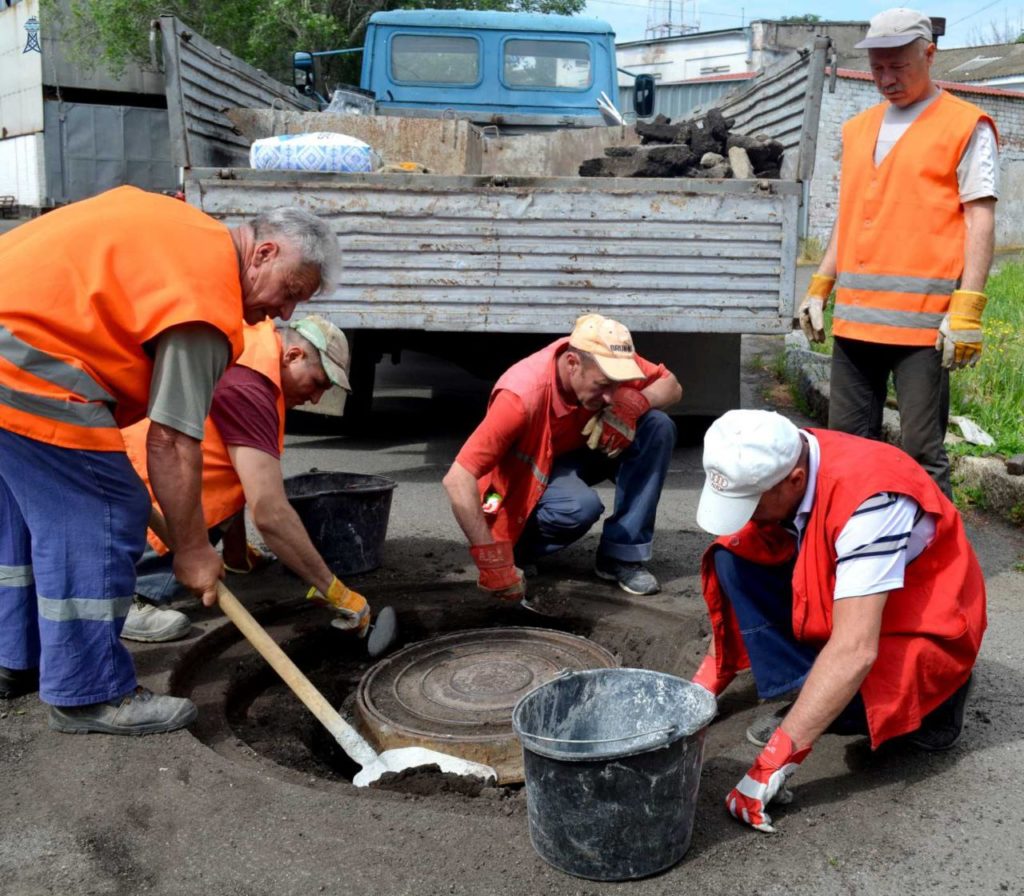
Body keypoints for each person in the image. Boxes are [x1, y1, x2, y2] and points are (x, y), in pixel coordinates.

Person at [0, 186, 341, 735]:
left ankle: (16, 660)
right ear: (264, 253)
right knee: (108, 508)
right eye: (290, 292)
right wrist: (191, 549)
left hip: (10, 346)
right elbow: (171, 443)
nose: (284, 311)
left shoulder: (188, 233)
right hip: (29, 363)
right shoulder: (207, 301)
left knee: (21, 519)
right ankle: (90, 694)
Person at [691, 409, 986, 833]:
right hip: (852, 590)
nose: (746, 512)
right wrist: (700, 691)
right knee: (735, 553)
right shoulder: (783, 451)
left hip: (925, 620)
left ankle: (941, 700)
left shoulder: (872, 500)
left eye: (751, 501)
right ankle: (819, 691)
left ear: (794, 480)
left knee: (860, 703)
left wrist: (775, 759)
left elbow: (855, 649)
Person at [797, 7, 999, 497]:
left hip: (922, 328)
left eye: (898, 67)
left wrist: (968, 308)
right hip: (856, 322)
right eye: (877, 68)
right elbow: (849, 217)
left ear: (929, 55)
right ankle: (856, 550)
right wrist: (820, 286)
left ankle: (936, 564)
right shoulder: (858, 128)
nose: (886, 79)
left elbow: (980, 217)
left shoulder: (965, 125)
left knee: (922, 452)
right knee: (845, 447)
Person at [119, 315, 371, 642]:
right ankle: (132, 596)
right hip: (149, 488)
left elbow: (235, 470)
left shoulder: (256, 351)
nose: (316, 399)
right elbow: (270, 514)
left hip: (151, 463)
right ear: (293, 356)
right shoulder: (251, 388)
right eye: (318, 382)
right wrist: (334, 590)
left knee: (229, 480)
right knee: (196, 507)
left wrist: (236, 555)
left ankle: (229, 558)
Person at [442, 313, 682, 599]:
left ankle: (622, 555)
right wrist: (492, 560)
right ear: (572, 364)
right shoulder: (520, 397)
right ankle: (518, 550)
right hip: (525, 478)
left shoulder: (606, 355)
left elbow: (672, 385)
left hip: (581, 453)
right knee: (579, 507)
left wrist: (634, 403)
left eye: (618, 385)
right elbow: (458, 478)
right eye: (603, 385)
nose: (610, 396)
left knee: (657, 426)